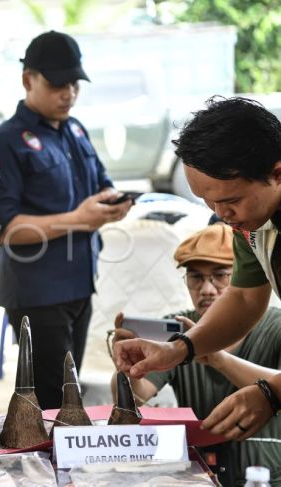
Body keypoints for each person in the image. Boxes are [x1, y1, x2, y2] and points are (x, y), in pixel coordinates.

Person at [0, 30, 132, 409]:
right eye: (58, 84)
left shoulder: (74, 131)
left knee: (69, 396)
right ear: (28, 80)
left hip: (79, 285)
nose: (69, 93)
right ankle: (41, 468)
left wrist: (113, 204)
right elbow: (4, 229)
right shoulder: (4, 143)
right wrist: (80, 219)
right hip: (37, 292)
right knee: (51, 403)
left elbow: (102, 183)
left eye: (75, 84)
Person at [113, 96, 281, 441]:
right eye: (207, 200)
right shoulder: (252, 221)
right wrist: (180, 348)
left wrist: (272, 391)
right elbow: (246, 298)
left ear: (277, 173)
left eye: (231, 200)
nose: (221, 214)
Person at [111, 224, 281, 486]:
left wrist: (218, 359)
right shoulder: (176, 330)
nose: (207, 289)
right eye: (196, 278)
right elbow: (138, 397)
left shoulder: (276, 327)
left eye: (220, 275)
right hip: (199, 473)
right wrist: (129, 368)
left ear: (245, 277)